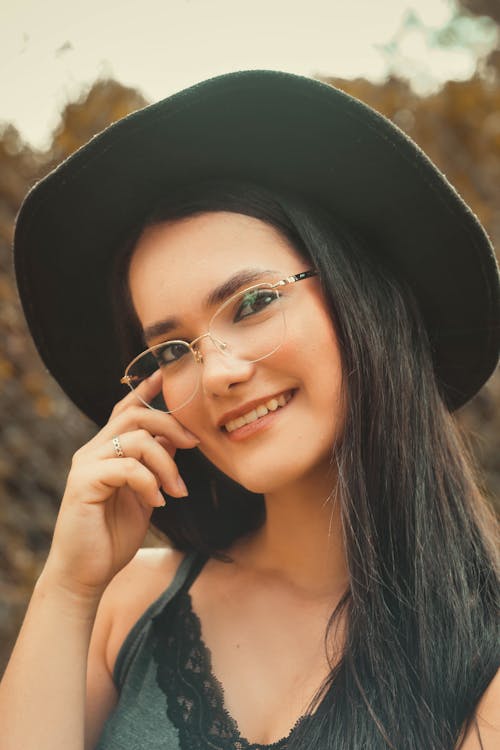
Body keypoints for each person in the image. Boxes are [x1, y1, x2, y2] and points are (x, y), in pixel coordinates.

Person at [0, 70, 498, 750]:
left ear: (360, 303)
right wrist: (67, 585)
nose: (219, 374)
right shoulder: (127, 606)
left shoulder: (483, 647)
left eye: (255, 303)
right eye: (173, 349)